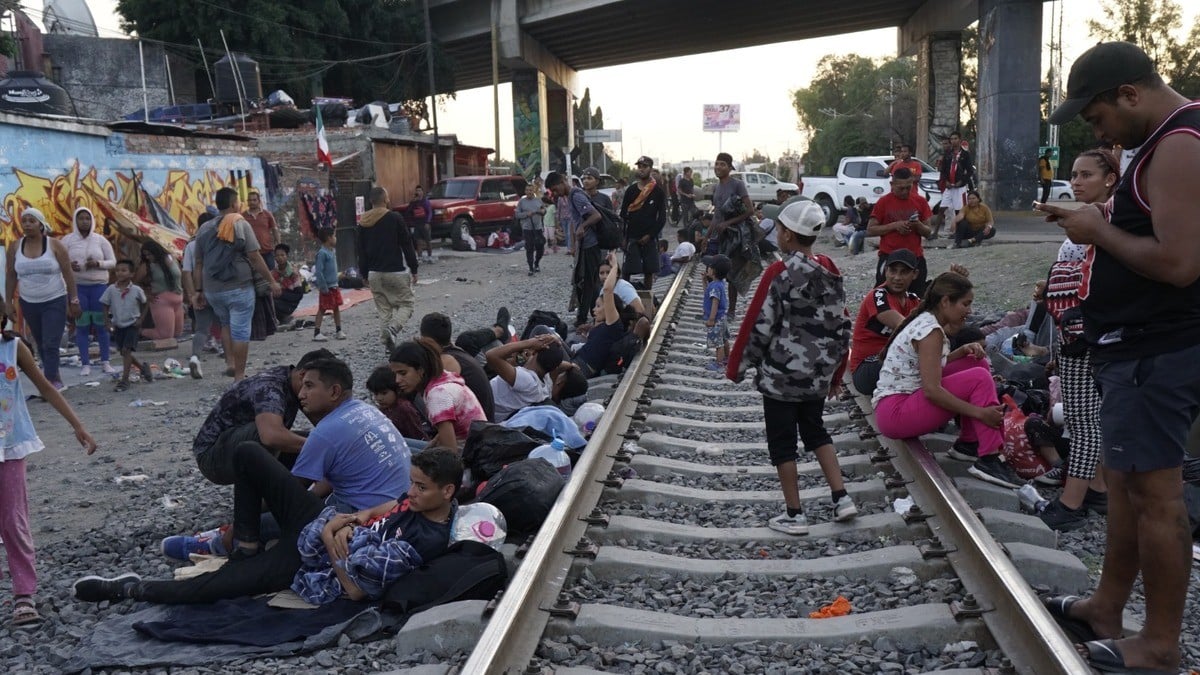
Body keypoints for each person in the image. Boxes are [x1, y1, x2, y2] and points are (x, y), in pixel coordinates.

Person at [1036, 41, 1200, 673]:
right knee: (1129, 484)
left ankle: (1159, 645)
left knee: (1156, 494)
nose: (1096, 132)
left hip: (1158, 349)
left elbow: (1181, 264)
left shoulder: (1180, 143)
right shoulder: (1160, 145)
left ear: (1130, 95)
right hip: (1138, 348)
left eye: (1097, 117)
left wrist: (1098, 230)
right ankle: (1108, 605)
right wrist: (1100, 214)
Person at [75, 448, 456, 608]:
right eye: (412, 482)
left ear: (447, 491)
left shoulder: (427, 539)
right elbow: (392, 505)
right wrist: (351, 519)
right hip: (322, 524)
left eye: (421, 487)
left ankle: (129, 589)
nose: (411, 492)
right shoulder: (417, 500)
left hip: (312, 563)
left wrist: (329, 537)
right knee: (248, 454)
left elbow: (355, 591)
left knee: (216, 588)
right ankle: (246, 543)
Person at [726, 200, 857, 535]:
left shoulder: (778, 274)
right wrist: (836, 373)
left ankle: (795, 514)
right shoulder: (829, 268)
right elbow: (842, 326)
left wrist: (737, 367)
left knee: (783, 443)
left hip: (781, 379)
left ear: (785, 234)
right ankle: (841, 498)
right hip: (816, 378)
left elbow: (757, 324)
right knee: (817, 432)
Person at [871, 272, 1022, 489]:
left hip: (902, 401)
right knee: (979, 378)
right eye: (965, 304)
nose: (969, 311)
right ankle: (989, 458)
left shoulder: (928, 322)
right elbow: (932, 390)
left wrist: (959, 353)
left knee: (976, 363)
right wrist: (980, 413)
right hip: (896, 412)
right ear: (945, 302)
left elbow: (925, 367)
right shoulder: (931, 331)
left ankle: (969, 444)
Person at [1035, 148, 1118, 532]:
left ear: (1110, 180)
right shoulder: (1085, 226)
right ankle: (1098, 488)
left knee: (1084, 424)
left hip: (1089, 339)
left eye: (1087, 175)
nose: (1077, 181)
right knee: (1091, 418)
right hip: (1074, 336)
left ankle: (1071, 504)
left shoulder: (1110, 226)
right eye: (1074, 174)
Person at [0, 310, 97, 626]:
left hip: (10, 446)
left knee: (13, 520)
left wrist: (77, 425)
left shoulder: (14, 349)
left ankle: (23, 593)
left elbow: (45, 387)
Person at [290, 358, 411, 517]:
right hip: (403, 503)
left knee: (266, 523)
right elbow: (336, 476)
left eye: (309, 386)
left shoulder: (324, 433)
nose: (301, 394)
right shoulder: (365, 409)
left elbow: (289, 492)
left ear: (334, 391)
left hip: (369, 514)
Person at [191, 350, 330, 486]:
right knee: (268, 435)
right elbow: (271, 436)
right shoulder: (270, 387)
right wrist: (321, 448)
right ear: (303, 376)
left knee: (316, 439)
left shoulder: (294, 381)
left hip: (237, 444)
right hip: (212, 457)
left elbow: (324, 426)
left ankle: (298, 490)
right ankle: (263, 498)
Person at [192, 187, 281, 381]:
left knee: (225, 323)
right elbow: (255, 257)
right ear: (234, 204)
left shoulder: (204, 228)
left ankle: (230, 363)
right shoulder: (239, 224)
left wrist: (198, 290)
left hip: (213, 289)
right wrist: (271, 281)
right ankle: (239, 376)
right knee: (240, 330)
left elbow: (198, 263)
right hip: (239, 287)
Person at [4, 207, 80, 390]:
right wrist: (8, 303)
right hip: (29, 301)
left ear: (40, 224)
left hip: (54, 298)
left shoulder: (54, 245)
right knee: (40, 342)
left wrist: (74, 300)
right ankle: (54, 376)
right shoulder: (15, 247)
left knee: (50, 342)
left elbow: (68, 273)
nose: (28, 225)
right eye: (25, 221)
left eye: (32, 221)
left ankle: (50, 383)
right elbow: (11, 275)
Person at [389, 338, 487, 450]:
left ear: (421, 370)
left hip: (471, 457)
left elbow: (450, 451)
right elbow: (448, 429)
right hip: (478, 446)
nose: (397, 380)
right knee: (397, 443)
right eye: (395, 374)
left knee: (395, 449)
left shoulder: (437, 396)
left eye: (403, 373)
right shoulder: (443, 378)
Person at [849, 249, 922, 397]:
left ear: (914, 274)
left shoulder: (913, 300)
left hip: (894, 361)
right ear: (885, 271)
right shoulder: (878, 295)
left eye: (904, 272)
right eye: (893, 271)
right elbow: (906, 327)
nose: (897, 277)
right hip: (868, 368)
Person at [357, 186, 419, 352]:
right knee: (407, 305)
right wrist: (414, 268)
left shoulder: (363, 222)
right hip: (395, 272)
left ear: (371, 202)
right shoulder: (394, 218)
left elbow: (360, 251)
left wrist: (363, 273)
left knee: (384, 310)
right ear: (385, 200)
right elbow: (407, 244)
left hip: (374, 274)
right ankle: (393, 330)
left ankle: (387, 344)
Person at [61, 206, 116, 377]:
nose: (84, 221)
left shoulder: (100, 240)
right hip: (78, 288)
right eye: (81, 218)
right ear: (75, 221)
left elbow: (113, 261)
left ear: (92, 220)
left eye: (87, 218)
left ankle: (106, 361)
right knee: (82, 326)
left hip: (99, 287)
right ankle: (85, 363)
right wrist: (69, 266)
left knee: (102, 325)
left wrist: (99, 264)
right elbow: (59, 261)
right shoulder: (67, 241)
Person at [420, 311, 496, 422]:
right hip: (483, 420)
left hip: (478, 429)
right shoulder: (456, 352)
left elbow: (437, 397)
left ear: (428, 341)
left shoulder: (445, 362)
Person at [547, 172, 601, 326]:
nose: (556, 194)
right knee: (588, 281)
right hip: (585, 245)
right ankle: (593, 313)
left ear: (563, 182)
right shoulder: (570, 197)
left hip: (591, 245)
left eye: (555, 189)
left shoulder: (576, 196)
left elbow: (596, 216)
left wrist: (583, 227)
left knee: (588, 282)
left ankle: (583, 317)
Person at [866, 167, 932, 292]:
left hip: (915, 257)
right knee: (885, 294)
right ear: (892, 184)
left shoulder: (920, 201)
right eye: (901, 188)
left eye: (909, 187)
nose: (905, 191)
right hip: (889, 256)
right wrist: (894, 226)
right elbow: (870, 230)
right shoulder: (883, 202)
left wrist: (917, 225)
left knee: (916, 296)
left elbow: (928, 232)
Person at [711, 152, 760, 317]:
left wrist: (728, 223)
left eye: (722, 164)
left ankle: (731, 310)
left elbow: (750, 210)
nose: (718, 167)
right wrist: (706, 237)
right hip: (723, 236)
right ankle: (718, 308)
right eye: (717, 164)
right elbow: (717, 216)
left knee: (732, 274)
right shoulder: (716, 187)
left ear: (729, 167)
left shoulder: (737, 184)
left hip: (738, 236)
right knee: (718, 272)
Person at [572, 252, 635, 379]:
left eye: (599, 306)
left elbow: (607, 290)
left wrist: (615, 266)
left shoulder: (614, 325)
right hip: (578, 359)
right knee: (550, 337)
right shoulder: (606, 325)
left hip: (582, 367)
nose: (594, 310)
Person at [487, 333, 564, 421]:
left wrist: (529, 342)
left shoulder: (528, 380)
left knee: (492, 342)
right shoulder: (546, 384)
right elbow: (556, 361)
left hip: (482, 407)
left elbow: (491, 355)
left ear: (534, 352)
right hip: (491, 407)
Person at [101, 260, 152, 392]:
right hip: (118, 324)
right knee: (124, 352)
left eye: (124, 270)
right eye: (117, 270)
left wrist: (141, 319)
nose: (120, 273)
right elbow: (105, 305)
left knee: (126, 350)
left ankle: (125, 380)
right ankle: (142, 368)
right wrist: (107, 321)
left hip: (132, 324)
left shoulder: (136, 290)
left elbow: (146, 303)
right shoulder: (111, 289)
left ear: (131, 274)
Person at [180, 210, 220, 380]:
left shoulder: (191, 246)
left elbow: (186, 272)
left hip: (200, 290)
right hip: (218, 289)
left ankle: (195, 356)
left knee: (201, 328)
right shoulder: (218, 242)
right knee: (225, 325)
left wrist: (192, 294)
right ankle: (231, 360)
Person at [620, 157, 667, 291]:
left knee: (649, 269)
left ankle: (647, 298)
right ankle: (625, 295)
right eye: (639, 166)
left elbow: (662, 218)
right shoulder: (631, 190)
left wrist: (651, 235)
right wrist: (623, 237)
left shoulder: (657, 191)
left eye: (644, 166)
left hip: (649, 237)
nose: (641, 169)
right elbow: (623, 215)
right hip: (632, 236)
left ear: (650, 169)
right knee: (628, 269)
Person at [134, 240, 184, 340]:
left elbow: (180, 277)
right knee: (165, 335)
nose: (148, 257)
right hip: (161, 300)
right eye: (146, 255)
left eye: (149, 254)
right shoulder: (147, 265)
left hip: (178, 298)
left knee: (177, 333)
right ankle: (138, 332)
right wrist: (146, 294)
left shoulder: (172, 258)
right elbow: (134, 282)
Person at [366, 365, 429, 441]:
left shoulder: (404, 408)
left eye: (384, 393)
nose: (379, 398)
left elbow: (418, 434)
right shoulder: (385, 408)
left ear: (397, 390)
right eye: (376, 394)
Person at [935, 131, 975, 239]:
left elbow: (970, 171)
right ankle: (935, 233)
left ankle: (958, 232)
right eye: (951, 139)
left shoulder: (965, 154)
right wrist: (946, 181)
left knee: (959, 211)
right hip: (949, 187)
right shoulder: (947, 154)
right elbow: (943, 171)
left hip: (959, 188)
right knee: (942, 209)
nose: (953, 141)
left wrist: (961, 182)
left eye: (955, 138)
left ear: (960, 140)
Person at [311, 228, 345, 342]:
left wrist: (338, 276)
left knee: (336, 307)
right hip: (327, 287)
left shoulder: (331, 251)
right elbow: (319, 272)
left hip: (334, 285)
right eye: (334, 236)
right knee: (322, 309)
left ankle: (339, 330)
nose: (335, 238)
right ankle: (317, 332)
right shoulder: (322, 253)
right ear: (329, 238)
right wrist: (323, 287)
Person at [702, 254, 730, 371]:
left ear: (713, 271)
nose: (706, 268)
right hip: (722, 318)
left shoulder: (715, 286)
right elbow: (707, 294)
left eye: (708, 267)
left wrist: (711, 319)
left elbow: (715, 302)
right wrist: (704, 281)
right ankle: (727, 359)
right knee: (724, 339)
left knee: (718, 343)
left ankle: (719, 364)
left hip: (716, 319)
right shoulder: (719, 284)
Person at [242, 190, 279, 270]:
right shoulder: (242, 216)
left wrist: (279, 246)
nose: (251, 202)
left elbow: (274, 229)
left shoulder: (267, 214)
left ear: (259, 201)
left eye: (254, 200)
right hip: (251, 253)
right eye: (249, 200)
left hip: (267, 252)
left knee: (271, 275)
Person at [516, 182, 547, 276]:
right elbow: (517, 215)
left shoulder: (538, 200)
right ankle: (530, 268)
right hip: (527, 228)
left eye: (530, 190)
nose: (529, 192)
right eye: (527, 190)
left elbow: (544, 210)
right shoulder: (521, 202)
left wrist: (542, 211)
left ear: (534, 191)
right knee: (529, 248)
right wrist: (526, 214)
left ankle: (536, 263)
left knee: (540, 247)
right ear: (525, 191)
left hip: (538, 228)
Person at [271, 243, 305, 323]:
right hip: (278, 299)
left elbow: (299, 295)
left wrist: (281, 294)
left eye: (282, 255)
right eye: (277, 255)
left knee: (272, 302)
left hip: (290, 302)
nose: (280, 258)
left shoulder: (293, 273)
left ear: (287, 256)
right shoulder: (273, 272)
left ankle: (284, 317)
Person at [407, 186, 434, 262]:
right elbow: (409, 212)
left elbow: (429, 212)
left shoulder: (425, 201)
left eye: (419, 190)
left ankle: (430, 256)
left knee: (428, 241)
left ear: (422, 192)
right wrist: (412, 202)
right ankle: (420, 257)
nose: (418, 192)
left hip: (425, 223)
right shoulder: (414, 202)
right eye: (417, 191)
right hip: (417, 224)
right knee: (418, 242)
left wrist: (427, 222)